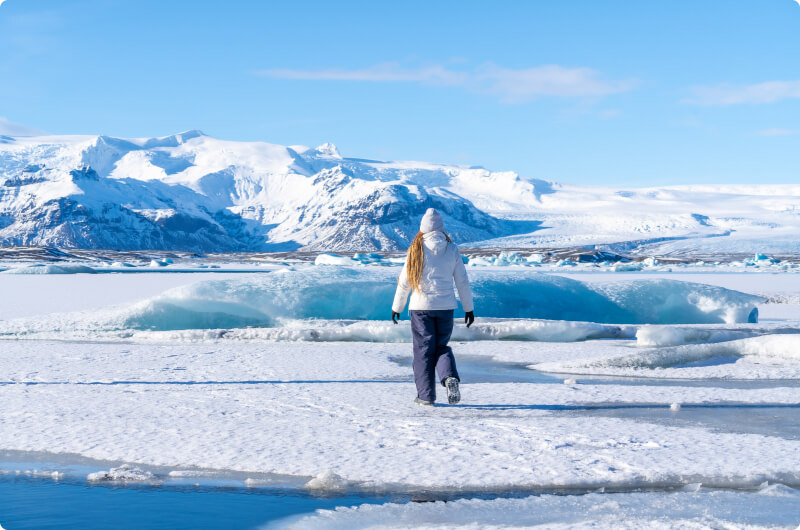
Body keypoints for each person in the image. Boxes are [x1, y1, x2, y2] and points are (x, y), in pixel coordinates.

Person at [391, 208, 475, 406]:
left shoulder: (416, 249)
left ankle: (425, 396)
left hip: (420, 308)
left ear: (422, 228)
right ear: (440, 228)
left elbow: (404, 282)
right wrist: (468, 308)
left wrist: (397, 307)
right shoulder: (451, 248)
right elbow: (462, 281)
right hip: (445, 307)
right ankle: (449, 378)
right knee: (441, 347)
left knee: (423, 351)